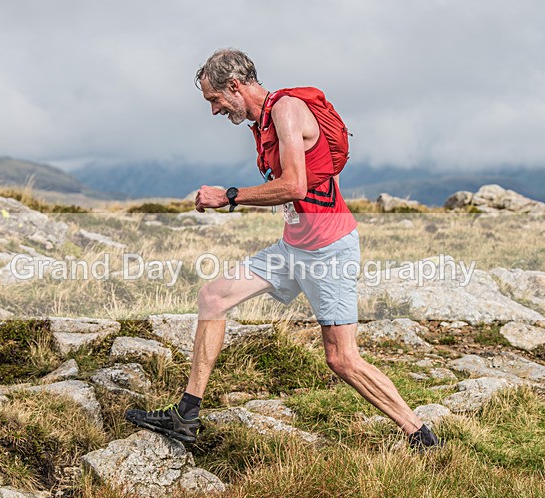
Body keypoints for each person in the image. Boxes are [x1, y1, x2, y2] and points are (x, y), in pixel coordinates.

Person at [125, 48, 441, 451]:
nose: (214, 110)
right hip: (293, 248)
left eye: (214, 99)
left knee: (342, 359)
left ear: (235, 86)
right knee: (213, 297)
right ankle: (186, 416)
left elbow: (295, 185)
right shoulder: (260, 124)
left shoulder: (287, 110)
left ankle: (420, 435)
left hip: (329, 251)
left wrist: (230, 196)